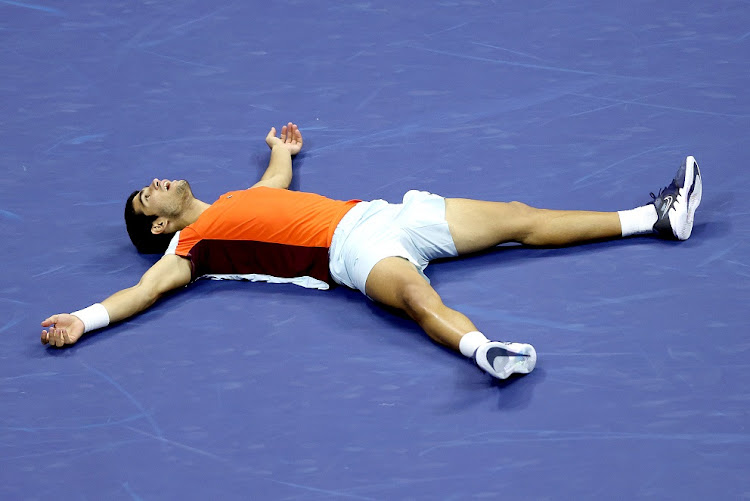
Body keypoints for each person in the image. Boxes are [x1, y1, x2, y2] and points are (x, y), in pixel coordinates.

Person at [40, 122, 703, 380]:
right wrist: (82, 318)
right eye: (145, 198)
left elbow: (274, 185)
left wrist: (281, 150)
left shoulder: (233, 201)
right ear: (158, 228)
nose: (155, 185)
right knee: (418, 297)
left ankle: (657, 216)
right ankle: (486, 352)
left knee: (521, 218)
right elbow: (142, 292)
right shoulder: (188, 247)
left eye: (150, 185)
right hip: (351, 258)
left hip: (386, 214)